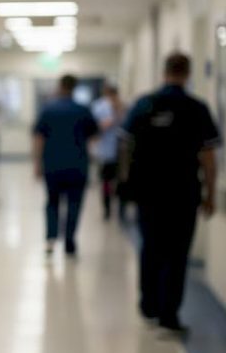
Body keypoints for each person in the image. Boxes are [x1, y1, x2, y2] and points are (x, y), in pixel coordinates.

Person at [121, 53, 220, 334]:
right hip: (183, 193)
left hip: (147, 192)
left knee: (150, 247)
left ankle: (148, 306)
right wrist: (210, 194)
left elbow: (125, 147)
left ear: (163, 72)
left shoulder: (144, 104)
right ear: (187, 73)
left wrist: (126, 185)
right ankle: (168, 317)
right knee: (177, 254)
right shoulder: (197, 108)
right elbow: (209, 157)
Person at [33, 74, 100, 256]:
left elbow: (38, 138)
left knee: (52, 202)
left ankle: (50, 239)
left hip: (53, 165)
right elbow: (94, 136)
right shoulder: (83, 110)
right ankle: (70, 240)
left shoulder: (48, 110)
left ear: (60, 86)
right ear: (74, 87)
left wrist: (37, 164)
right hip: (77, 165)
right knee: (74, 203)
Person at [91, 83, 127, 220]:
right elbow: (95, 128)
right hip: (106, 151)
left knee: (122, 181)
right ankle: (107, 209)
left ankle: (121, 209)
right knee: (106, 182)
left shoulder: (124, 105)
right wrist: (111, 120)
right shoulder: (99, 106)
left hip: (121, 152)